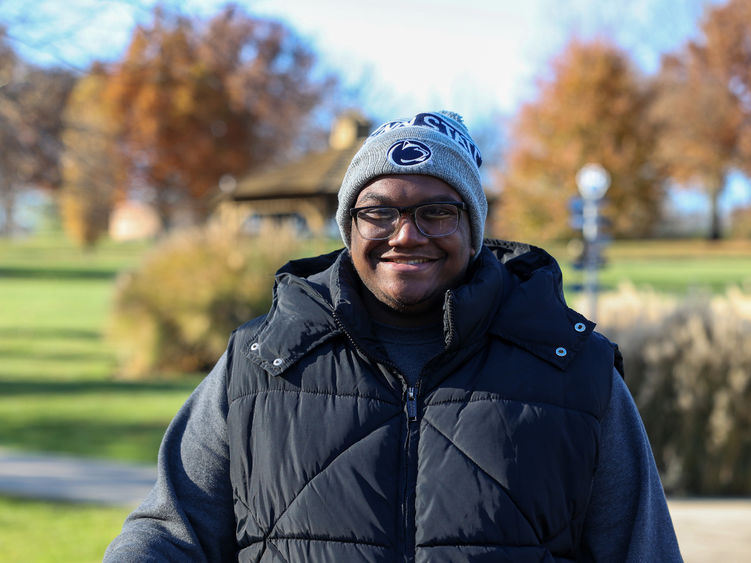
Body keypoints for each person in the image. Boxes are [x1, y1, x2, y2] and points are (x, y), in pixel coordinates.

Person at [104, 110, 682, 562]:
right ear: (348, 225)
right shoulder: (260, 364)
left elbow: (644, 550)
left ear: (473, 228)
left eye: (436, 212)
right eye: (378, 212)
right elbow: (170, 533)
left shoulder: (575, 371)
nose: (405, 235)